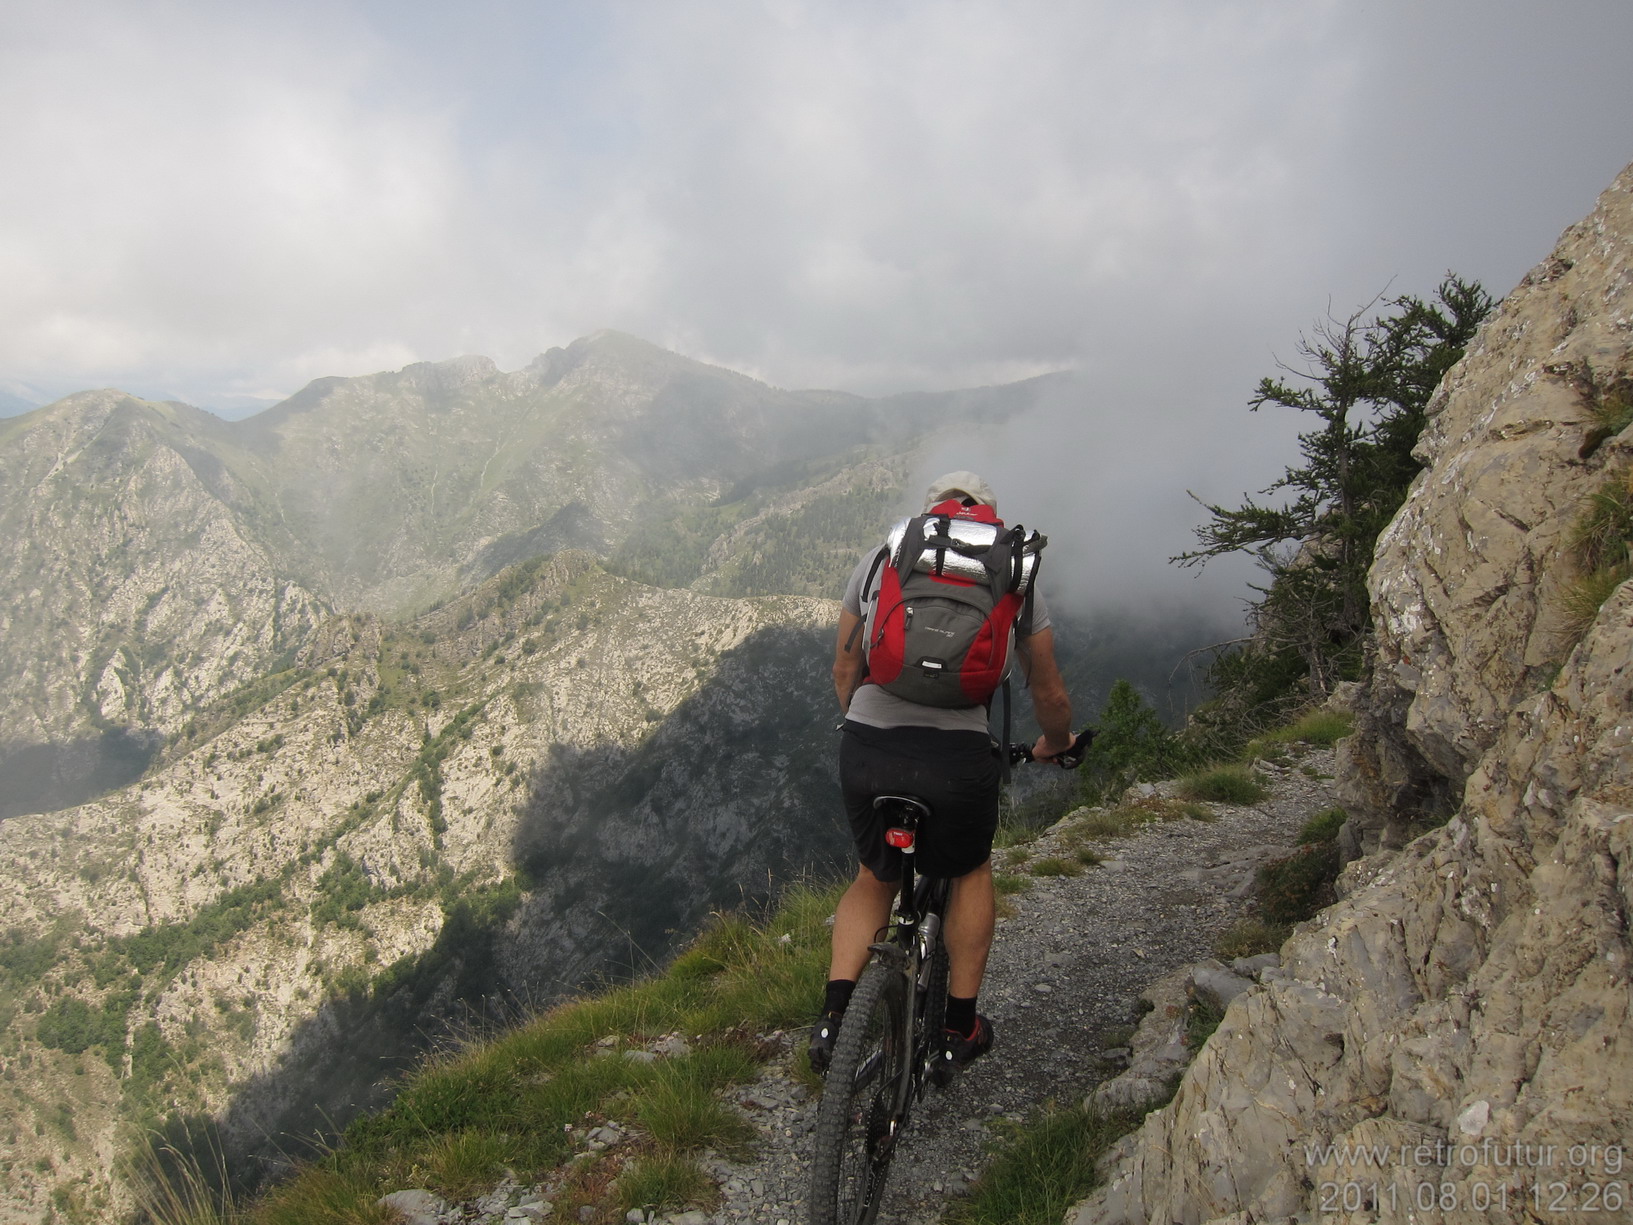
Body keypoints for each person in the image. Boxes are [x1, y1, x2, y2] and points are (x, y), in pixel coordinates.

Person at [809, 471, 1077, 1077]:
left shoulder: (885, 558)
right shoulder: (1015, 570)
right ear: (989, 514)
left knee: (874, 877)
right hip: (958, 758)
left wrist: (859, 728)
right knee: (970, 868)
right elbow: (1049, 690)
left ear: (930, 514)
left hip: (869, 742)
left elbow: (844, 669)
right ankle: (958, 1029)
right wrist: (1055, 745)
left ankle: (832, 1023)